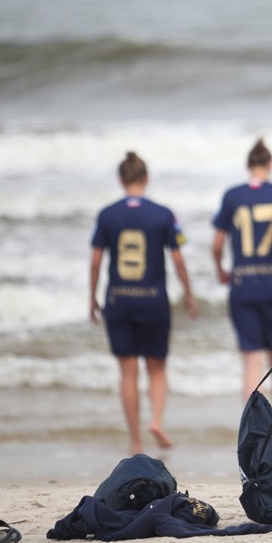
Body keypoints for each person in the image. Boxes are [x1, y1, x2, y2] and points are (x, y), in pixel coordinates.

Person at [89, 151, 199, 455]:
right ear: (145, 178)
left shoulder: (106, 215)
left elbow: (96, 260)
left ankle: (136, 441)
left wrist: (92, 297)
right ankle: (157, 422)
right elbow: (177, 258)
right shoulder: (163, 214)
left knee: (127, 372)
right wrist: (189, 293)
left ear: (121, 180)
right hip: (153, 301)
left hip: (118, 301)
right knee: (157, 368)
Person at [212, 139, 272, 432]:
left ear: (248, 166)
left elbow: (217, 243)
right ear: (270, 165)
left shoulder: (232, 196)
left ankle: (254, 438)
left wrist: (221, 269)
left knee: (251, 366)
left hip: (243, 287)